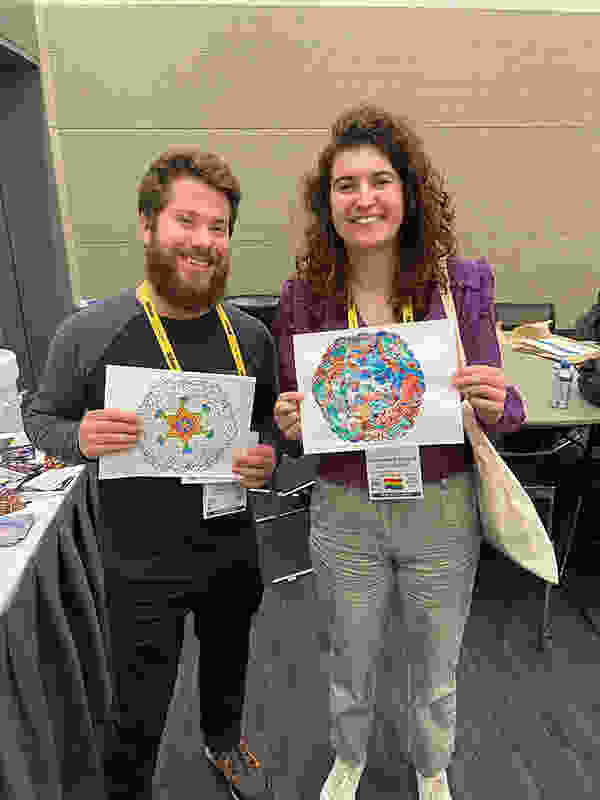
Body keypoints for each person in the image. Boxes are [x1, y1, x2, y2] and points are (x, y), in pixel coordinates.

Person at [273, 103, 526, 800]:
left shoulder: (462, 285)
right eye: (346, 185)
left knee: (436, 664)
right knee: (349, 658)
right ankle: (348, 756)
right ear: (327, 204)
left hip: (442, 507)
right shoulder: (305, 298)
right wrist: (291, 419)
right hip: (345, 509)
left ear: (408, 193)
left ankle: (431, 762)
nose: (364, 198)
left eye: (380, 180)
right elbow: (299, 416)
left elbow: (505, 409)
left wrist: (497, 401)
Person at [23, 149, 281, 799]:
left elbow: (271, 426)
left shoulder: (251, 337)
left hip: (230, 548)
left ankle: (224, 744)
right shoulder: (88, 333)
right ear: (147, 226)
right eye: (185, 221)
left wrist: (270, 456)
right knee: (137, 703)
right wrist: (77, 437)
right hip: (136, 561)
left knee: (228, 663)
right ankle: (131, 784)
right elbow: (41, 418)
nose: (202, 240)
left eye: (217, 227)